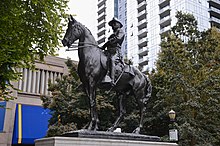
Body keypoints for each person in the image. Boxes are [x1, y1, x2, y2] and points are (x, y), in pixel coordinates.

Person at [102, 17, 125, 86]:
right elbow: (109, 42)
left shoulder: (120, 31)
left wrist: (109, 42)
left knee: (112, 60)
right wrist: (104, 46)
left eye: (114, 23)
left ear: (118, 24)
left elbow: (118, 38)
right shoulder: (112, 35)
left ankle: (112, 79)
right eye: (112, 24)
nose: (113, 25)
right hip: (108, 50)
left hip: (115, 51)